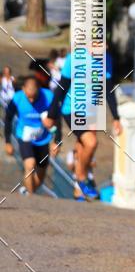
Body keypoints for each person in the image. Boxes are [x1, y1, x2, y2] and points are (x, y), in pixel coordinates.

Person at [44, 46, 122, 201]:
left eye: (104, 43)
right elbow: (62, 87)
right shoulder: (74, 58)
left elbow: (107, 88)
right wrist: (51, 114)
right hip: (72, 108)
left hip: (92, 110)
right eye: (97, 43)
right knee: (91, 143)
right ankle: (81, 179)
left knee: (83, 146)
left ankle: (78, 190)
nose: (102, 47)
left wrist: (116, 117)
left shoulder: (107, 59)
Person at [4, 74, 58, 194]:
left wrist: (57, 141)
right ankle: (31, 198)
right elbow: (8, 119)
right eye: (29, 98)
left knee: (41, 173)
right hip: (25, 137)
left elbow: (57, 119)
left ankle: (28, 191)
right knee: (30, 164)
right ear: (23, 89)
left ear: (39, 89)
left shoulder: (48, 96)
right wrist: (7, 142)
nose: (32, 101)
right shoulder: (17, 98)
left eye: (34, 97)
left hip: (43, 138)